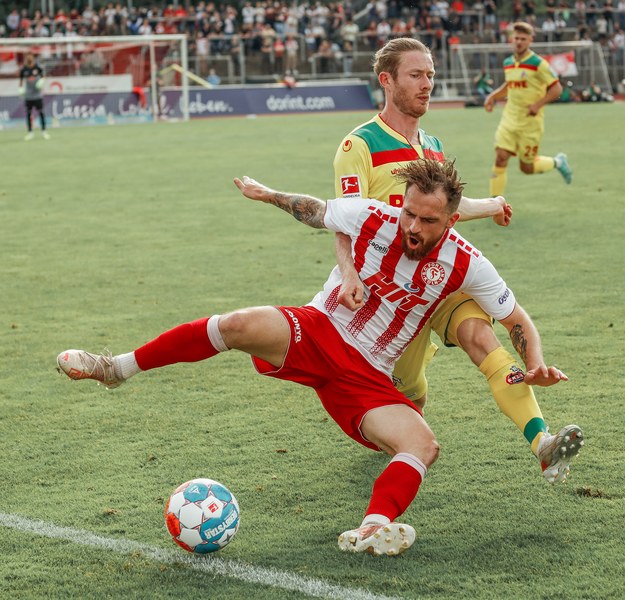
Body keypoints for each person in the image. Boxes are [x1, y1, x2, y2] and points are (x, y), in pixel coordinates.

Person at [57, 160, 583, 556]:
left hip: (368, 375)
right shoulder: (375, 217)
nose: (413, 227)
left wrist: (535, 360)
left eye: (428, 220)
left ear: (451, 219)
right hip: (317, 330)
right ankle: (116, 368)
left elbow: (516, 318)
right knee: (237, 325)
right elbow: (316, 210)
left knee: (423, 444)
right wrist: (268, 195)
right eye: (409, 213)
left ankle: (374, 527)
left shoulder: (467, 262)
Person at [333, 37, 567, 483]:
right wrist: (348, 274)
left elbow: (444, 210)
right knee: (410, 398)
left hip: (439, 278)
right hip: (390, 296)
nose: (427, 85)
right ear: (387, 80)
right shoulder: (358, 145)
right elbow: (344, 223)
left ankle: (543, 443)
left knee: (481, 337)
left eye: (431, 75)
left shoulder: (433, 144)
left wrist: (493, 204)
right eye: (416, 75)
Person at [484, 21, 572, 195]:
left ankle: (558, 162)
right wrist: (493, 96)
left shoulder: (538, 63)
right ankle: (495, 204)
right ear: (511, 39)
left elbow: (557, 89)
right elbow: (510, 85)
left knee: (526, 168)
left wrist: (538, 104)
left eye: (523, 39)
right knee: (500, 158)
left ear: (530, 40)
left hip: (530, 123)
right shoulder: (508, 62)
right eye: (516, 38)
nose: (519, 42)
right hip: (509, 119)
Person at [19, 52, 50, 141]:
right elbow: (21, 81)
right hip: (28, 96)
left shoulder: (38, 67)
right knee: (28, 114)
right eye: (27, 57)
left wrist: (41, 82)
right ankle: (30, 132)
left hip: (37, 95)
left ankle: (44, 131)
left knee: (41, 113)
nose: (29, 58)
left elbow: (44, 76)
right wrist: (20, 89)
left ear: (32, 58)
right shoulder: (23, 69)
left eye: (30, 56)